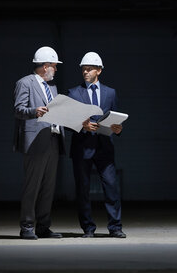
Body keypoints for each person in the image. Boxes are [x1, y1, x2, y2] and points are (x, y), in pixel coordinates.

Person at [68, 52, 126, 238]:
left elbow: (116, 120)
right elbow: (66, 122)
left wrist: (118, 129)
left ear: (99, 71)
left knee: (111, 187)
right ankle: (88, 229)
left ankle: (115, 227)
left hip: (104, 147)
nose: (85, 71)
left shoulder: (111, 93)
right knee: (83, 190)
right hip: (82, 148)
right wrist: (81, 125)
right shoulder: (74, 93)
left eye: (89, 68)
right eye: (83, 69)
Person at [13, 46, 65, 240]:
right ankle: (26, 226)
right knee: (32, 186)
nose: (56, 70)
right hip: (35, 141)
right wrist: (34, 111)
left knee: (48, 187)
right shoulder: (24, 83)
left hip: (52, 139)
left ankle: (43, 226)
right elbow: (18, 109)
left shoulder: (52, 87)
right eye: (54, 66)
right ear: (45, 66)